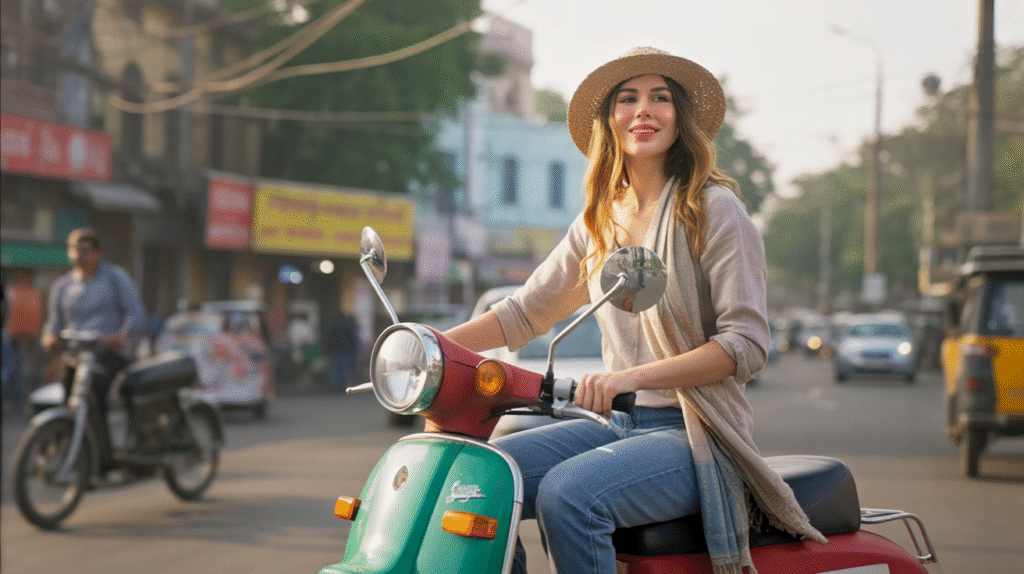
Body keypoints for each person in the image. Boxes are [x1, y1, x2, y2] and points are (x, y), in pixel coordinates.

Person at [444, 47, 825, 574]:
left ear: (680, 118)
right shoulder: (599, 221)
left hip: (694, 432)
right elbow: (523, 313)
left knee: (568, 496)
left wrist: (628, 377)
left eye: (660, 98)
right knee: (475, 484)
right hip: (612, 423)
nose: (643, 110)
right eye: (628, 98)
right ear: (610, 121)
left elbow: (746, 346)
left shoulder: (713, 211)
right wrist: (430, 349)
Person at [41, 228, 146, 429]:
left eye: (85, 250)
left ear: (98, 253)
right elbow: (54, 324)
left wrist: (123, 336)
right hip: (75, 356)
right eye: (73, 250)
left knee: (95, 398)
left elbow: (135, 313)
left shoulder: (115, 278)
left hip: (108, 355)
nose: (78, 256)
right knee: (68, 401)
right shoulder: (62, 286)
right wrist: (49, 337)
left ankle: (104, 455)